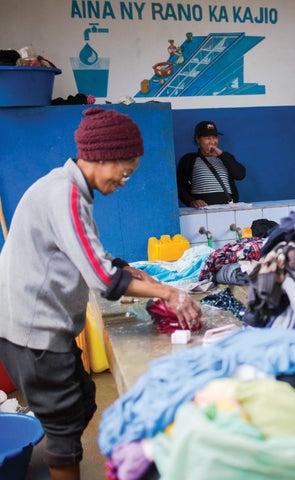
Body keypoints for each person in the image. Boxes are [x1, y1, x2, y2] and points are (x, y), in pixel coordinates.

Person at [0, 107, 202, 480]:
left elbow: (86, 251)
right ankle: (64, 462)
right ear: (102, 158)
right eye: (125, 172)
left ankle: (64, 457)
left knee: (81, 402)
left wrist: (126, 267)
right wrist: (168, 293)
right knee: (64, 427)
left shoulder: (64, 186)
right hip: (35, 334)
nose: (125, 181)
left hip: (34, 328)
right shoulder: (66, 194)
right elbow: (102, 281)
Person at [176, 120, 246, 207]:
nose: (212, 142)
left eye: (215, 137)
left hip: (227, 209)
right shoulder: (189, 160)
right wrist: (191, 201)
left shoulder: (225, 157)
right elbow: (179, 186)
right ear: (198, 139)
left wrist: (221, 155)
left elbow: (240, 175)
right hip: (202, 211)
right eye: (207, 138)